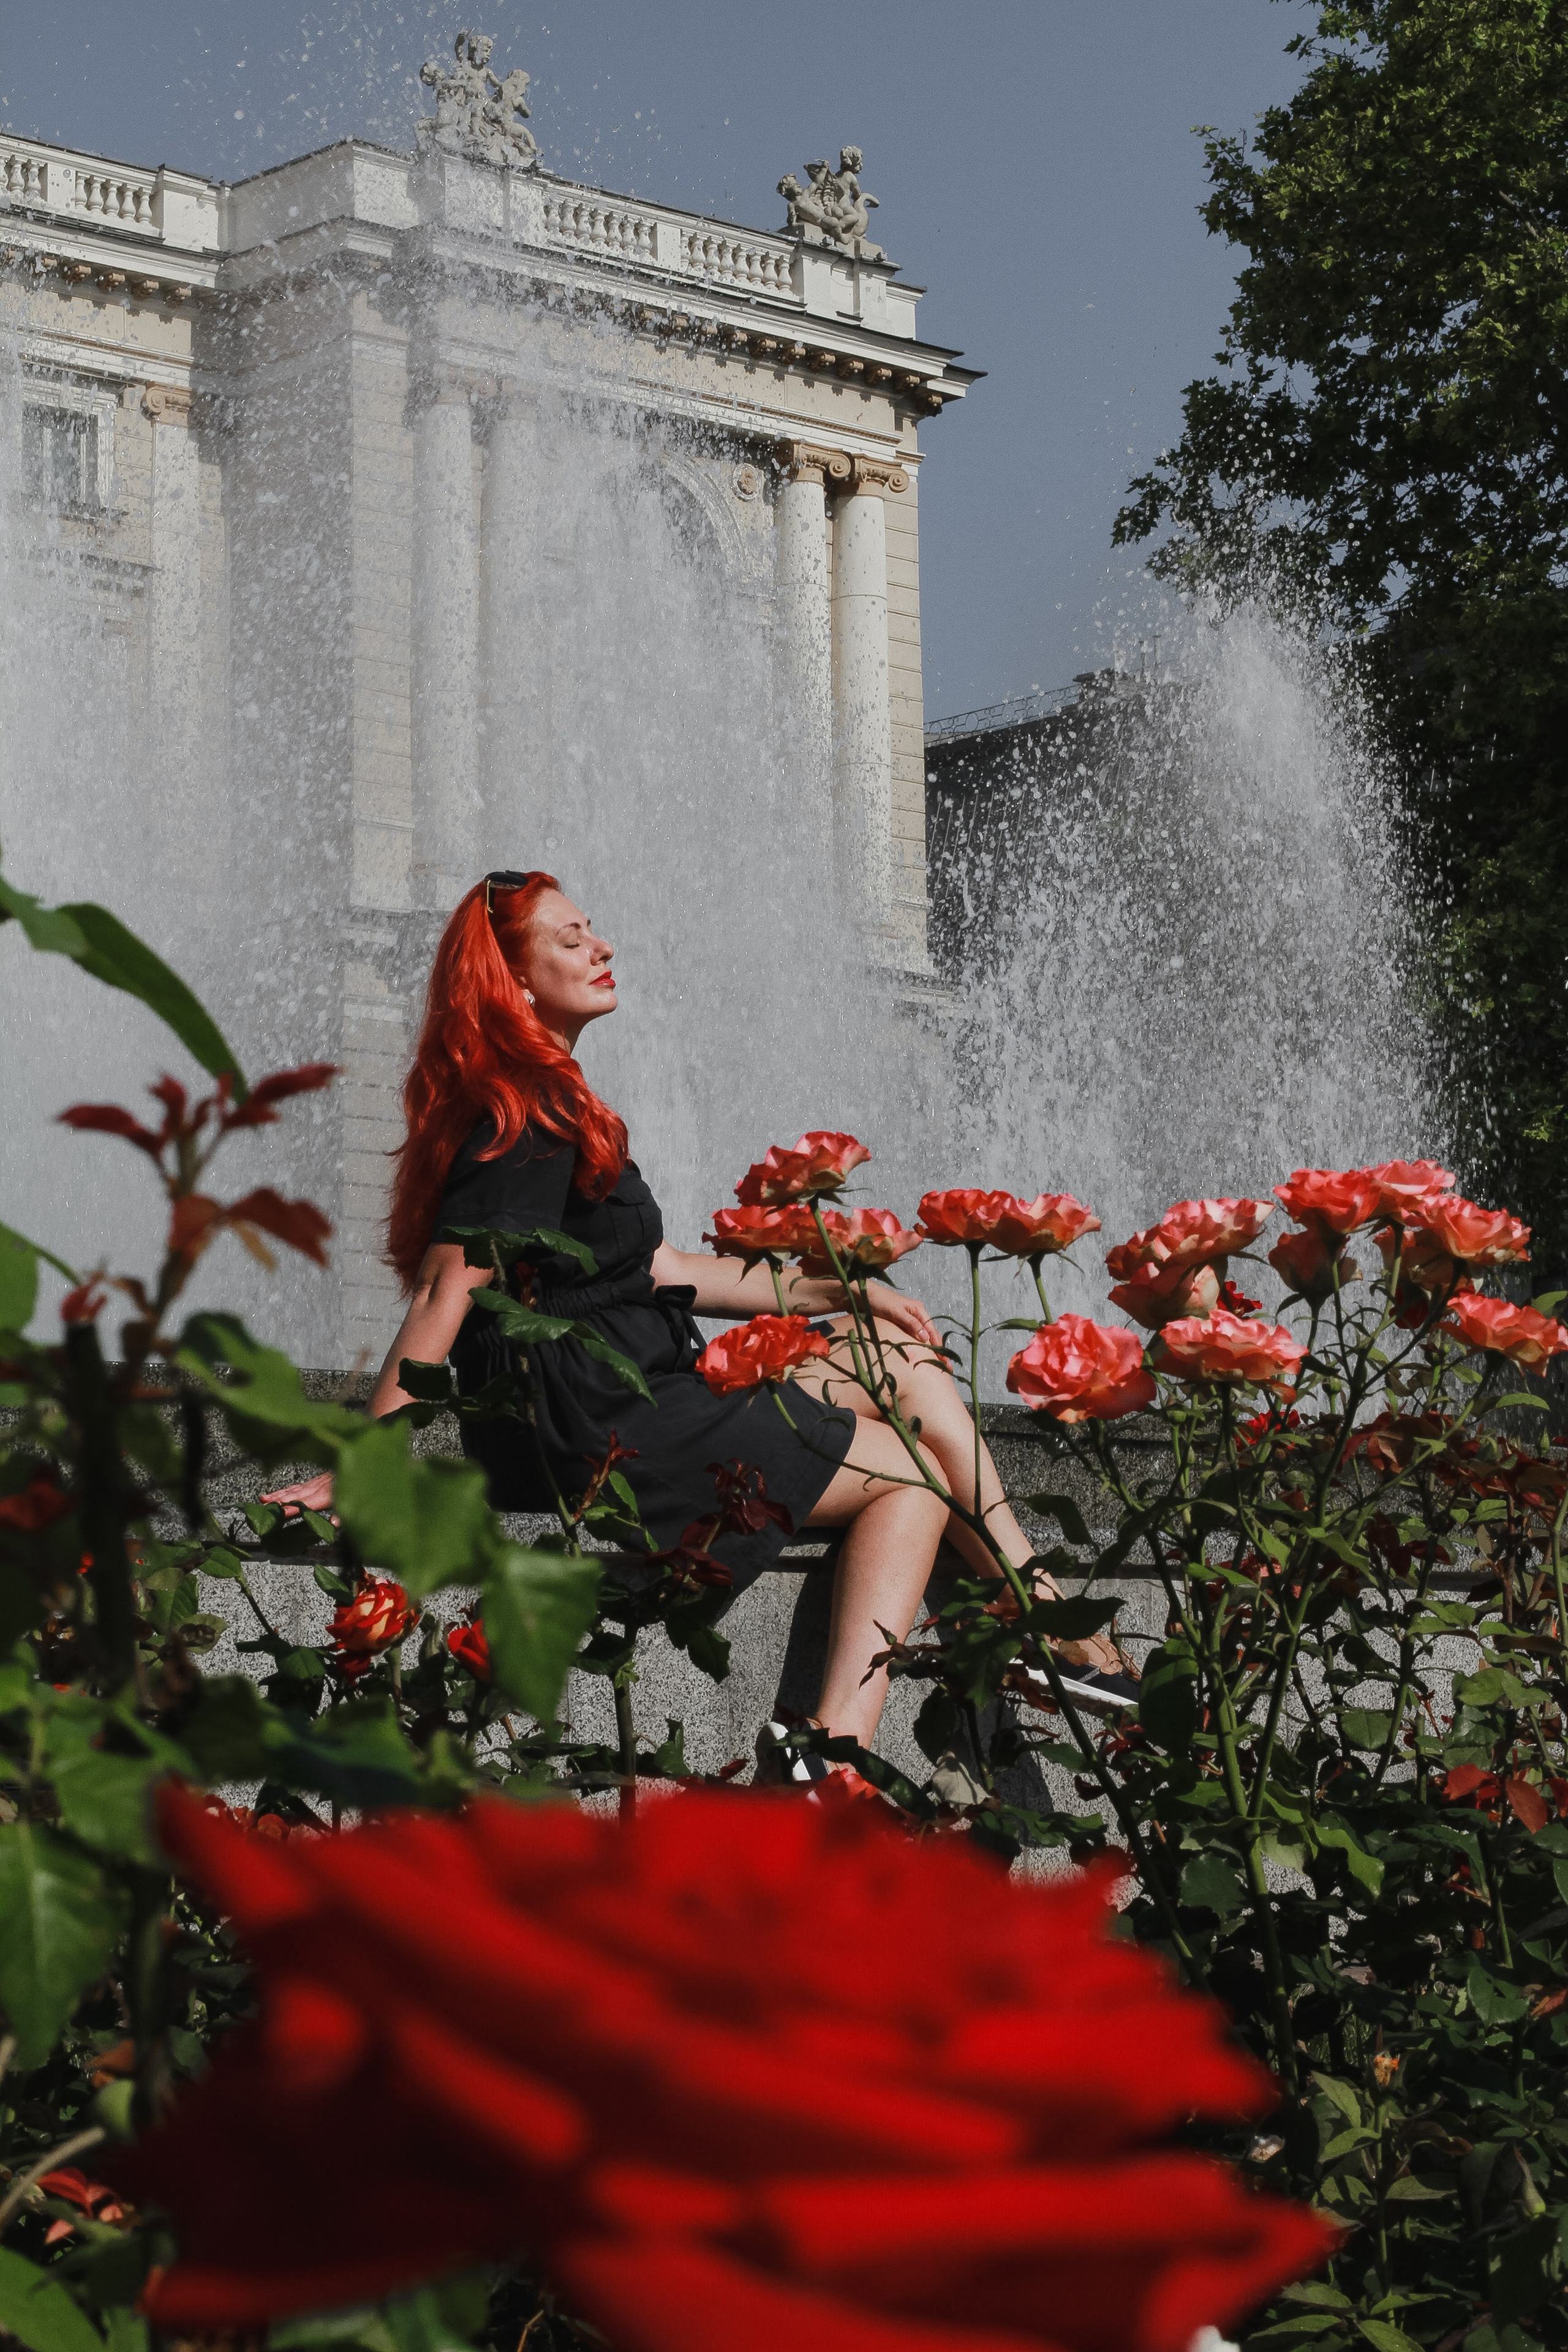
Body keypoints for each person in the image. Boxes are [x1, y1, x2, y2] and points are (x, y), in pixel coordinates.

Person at [262, 869, 1134, 1779]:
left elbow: (662, 1271)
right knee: (912, 1475)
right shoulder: (517, 1111)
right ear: (511, 982)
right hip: (601, 1423)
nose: (602, 948)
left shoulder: (551, 1099)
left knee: (902, 1365)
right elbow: (449, 1288)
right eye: (570, 940)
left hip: (636, 1392)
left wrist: (841, 1288)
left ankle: (992, 1661)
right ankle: (929, 1704)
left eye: (593, 930)